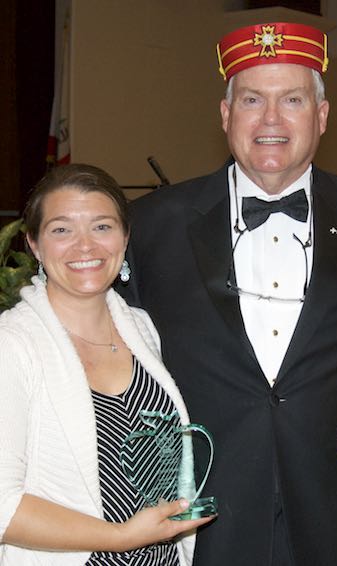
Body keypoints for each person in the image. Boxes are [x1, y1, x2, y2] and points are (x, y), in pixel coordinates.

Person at [120, 22, 337, 566]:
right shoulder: (147, 227)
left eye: (293, 100)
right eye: (253, 99)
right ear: (225, 114)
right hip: (199, 524)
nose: (271, 120)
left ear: (322, 117)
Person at [0, 164, 213, 565]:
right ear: (34, 244)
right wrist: (117, 538)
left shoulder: (142, 329)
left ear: (125, 236)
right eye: (62, 230)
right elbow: (3, 506)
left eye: (101, 227)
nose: (85, 246)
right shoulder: (12, 345)